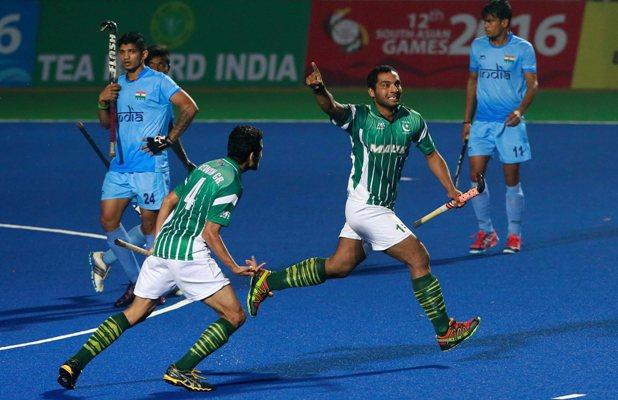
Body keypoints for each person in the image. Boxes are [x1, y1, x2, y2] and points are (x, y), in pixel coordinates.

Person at [247, 63, 480, 352]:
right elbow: (332, 108)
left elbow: (431, 155)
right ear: (372, 92)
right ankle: (445, 330)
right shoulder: (360, 117)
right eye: (385, 85)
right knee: (419, 258)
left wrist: (451, 190)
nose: (394, 89)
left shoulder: (413, 120)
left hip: (378, 209)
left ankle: (269, 281)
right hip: (366, 208)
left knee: (339, 266)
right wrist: (319, 89)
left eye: (396, 83)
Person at [58, 125, 265, 392]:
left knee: (134, 313)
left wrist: (156, 240)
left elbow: (168, 200)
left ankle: (74, 363)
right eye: (260, 149)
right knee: (234, 316)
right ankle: (181, 369)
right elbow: (210, 233)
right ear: (250, 155)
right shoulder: (233, 183)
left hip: (164, 247)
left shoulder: (206, 167)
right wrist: (234, 267)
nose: (261, 154)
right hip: (189, 254)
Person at [90, 32, 198, 308]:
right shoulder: (117, 86)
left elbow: (190, 107)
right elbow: (105, 124)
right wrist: (103, 101)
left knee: (152, 227)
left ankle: (158, 283)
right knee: (108, 220)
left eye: (131, 52)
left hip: (150, 167)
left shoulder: (160, 81)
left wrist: (169, 138)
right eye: (122, 52)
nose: (126, 57)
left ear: (143, 55)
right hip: (120, 168)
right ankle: (140, 284)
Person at [462, 0, 538, 254]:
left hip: (510, 124)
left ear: (505, 23)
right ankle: (487, 231)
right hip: (482, 123)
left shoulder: (523, 49)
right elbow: (472, 82)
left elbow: (533, 84)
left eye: (491, 21)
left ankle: (514, 234)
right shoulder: (478, 46)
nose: (486, 25)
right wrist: (466, 121)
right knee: (475, 176)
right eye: (485, 21)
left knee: (511, 178)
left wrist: (519, 111)